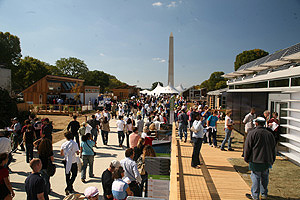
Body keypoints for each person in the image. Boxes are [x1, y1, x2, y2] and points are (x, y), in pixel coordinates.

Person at [244, 117, 276, 200]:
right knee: (265, 177)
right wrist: (272, 159)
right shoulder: (269, 134)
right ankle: (264, 194)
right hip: (267, 159)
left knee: (255, 177)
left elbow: (248, 147)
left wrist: (246, 158)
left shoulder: (252, 133)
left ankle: (255, 196)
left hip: (255, 159)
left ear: (256, 123)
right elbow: (273, 148)